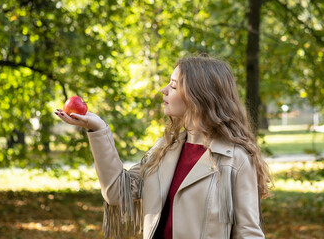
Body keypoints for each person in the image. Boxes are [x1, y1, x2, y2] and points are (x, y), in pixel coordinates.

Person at [54, 55, 272, 239]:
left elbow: (248, 233)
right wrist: (98, 130)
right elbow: (116, 192)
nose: (164, 90)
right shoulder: (165, 149)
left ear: (198, 96)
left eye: (174, 85)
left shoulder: (236, 159)